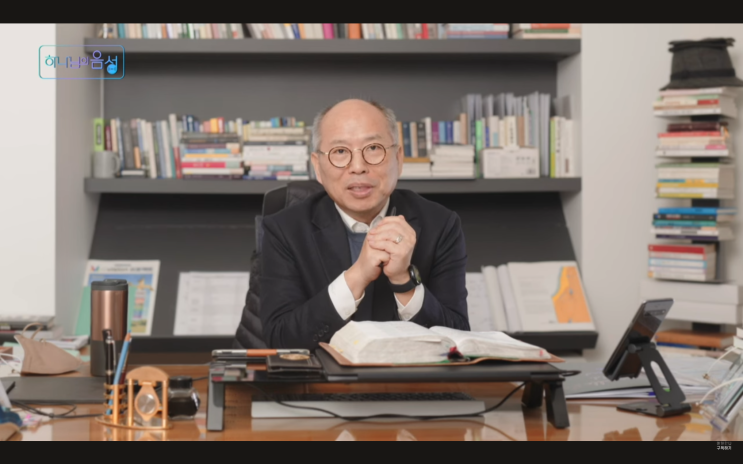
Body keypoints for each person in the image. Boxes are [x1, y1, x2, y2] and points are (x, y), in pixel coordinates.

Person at [259, 98, 469, 349]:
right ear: (317, 166)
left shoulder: (441, 225)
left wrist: (404, 281)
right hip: (321, 375)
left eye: (373, 148)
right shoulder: (284, 230)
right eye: (340, 152)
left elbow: (457, 340)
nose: (358, 167)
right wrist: (357, 276)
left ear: (399, 158)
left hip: (407, 374)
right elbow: (281, 340)